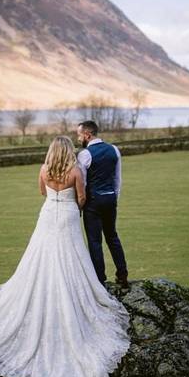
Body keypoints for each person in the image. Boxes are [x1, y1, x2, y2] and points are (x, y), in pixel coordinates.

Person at [0, 136, 130, 377]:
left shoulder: (43, 169)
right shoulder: (75, 170)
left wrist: (55, 196)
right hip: (66, 216)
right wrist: (72, 203)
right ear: (68, 151)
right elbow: (81, 197)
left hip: (47, 214)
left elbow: (42, 192)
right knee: (71, 255)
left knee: (41, 254)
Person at [75, 120, 129, 287]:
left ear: (87, 134)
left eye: (79, 135)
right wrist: (114, 198)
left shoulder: (84, 154)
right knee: (112, 236)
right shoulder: (114, 149)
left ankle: (100, 279)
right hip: (110, 198)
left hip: (93, 202)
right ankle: (122, 274)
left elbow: (82, 184)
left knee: (94, 241)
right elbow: (117, 178)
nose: (78, 139)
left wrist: (80, 205)